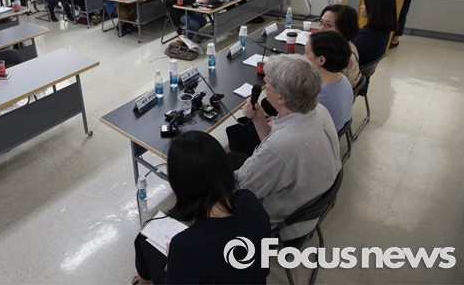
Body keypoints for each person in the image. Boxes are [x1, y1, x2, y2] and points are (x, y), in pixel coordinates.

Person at [133, 131, 270, 284]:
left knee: (144, 240)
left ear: (181, 187)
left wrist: (175, 260)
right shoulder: (249, 199)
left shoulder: (186, 246)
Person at [233, 54, 342, 241]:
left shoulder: (279, 148)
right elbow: (277, 144)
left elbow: (238, 190)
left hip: (282, 224)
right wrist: (259, 118)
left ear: (281, 98)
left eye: (269, 82)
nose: (265, 83)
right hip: (308, 201)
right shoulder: (318, 110)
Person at [304, 31, 354, 131]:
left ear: (321, 60)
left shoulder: (320, 97)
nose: (303, 56)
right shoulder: (341, 77)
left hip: (321, 134)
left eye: (306, 53)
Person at [317, 4, 362, 88]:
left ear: (344, 29)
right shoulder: (349, 45)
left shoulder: (336, 58)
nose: (320, 29)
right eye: (321, 22)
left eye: (328, 25)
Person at [353, 0, 397, 66]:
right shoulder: (382, 31)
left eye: (364, 4)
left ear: (374, 9)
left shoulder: (367, 37)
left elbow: (343, 54)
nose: (361, 7)